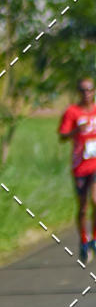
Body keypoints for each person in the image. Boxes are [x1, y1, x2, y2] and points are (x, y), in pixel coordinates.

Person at [59, 78, 96, 263]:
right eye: (82, 90)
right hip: (80, 166)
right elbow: (62, 136)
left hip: (95, 164)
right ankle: (83, 240)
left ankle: (95, 239)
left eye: (89, 90)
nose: (86, 93)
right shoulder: (72, 112)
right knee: (83, 207)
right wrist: (76, 131)